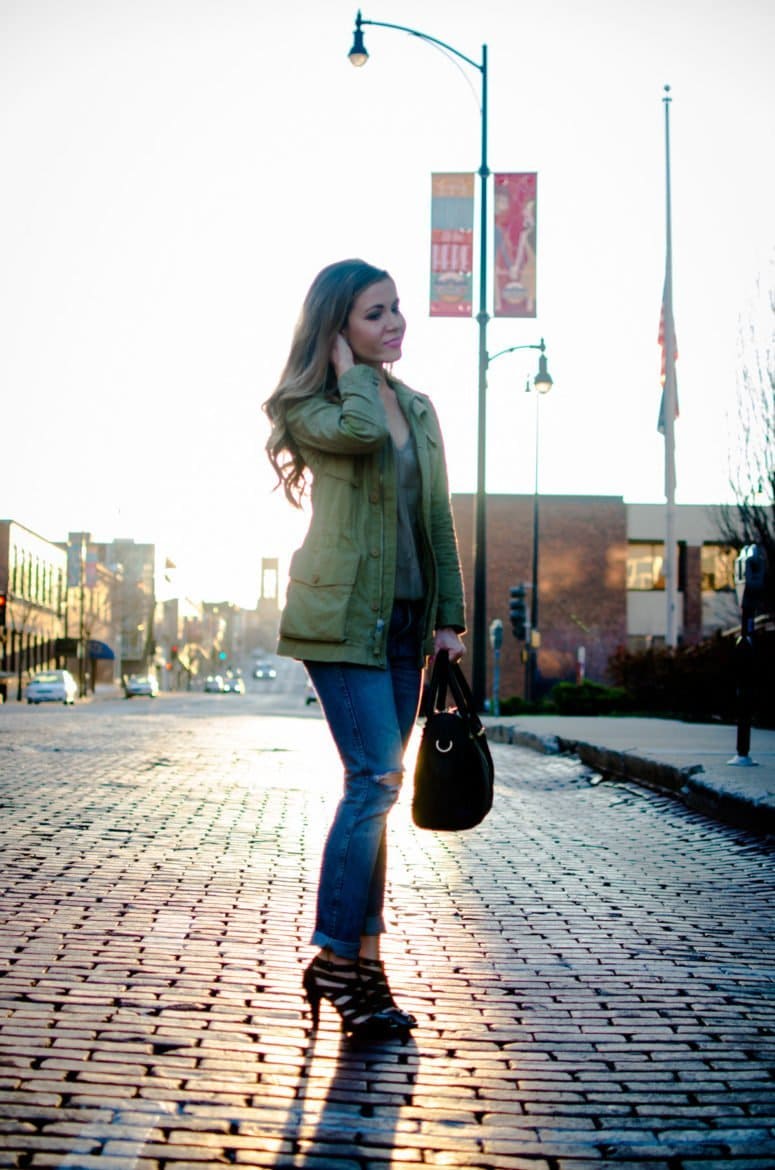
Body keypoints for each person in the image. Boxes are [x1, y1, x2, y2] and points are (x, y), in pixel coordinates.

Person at [263, 258, 466, 1040]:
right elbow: (352, 435)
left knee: (376, 795)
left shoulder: (417, 406)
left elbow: (436, 518)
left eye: (396, 309)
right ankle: (336, 956)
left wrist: (448, 617)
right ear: (338, 331)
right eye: (375, 314)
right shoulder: (308, 404)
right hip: (340, 617)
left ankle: (364, 967)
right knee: (377, 777)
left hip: (408, 625)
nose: (395, 324)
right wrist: (349, 377)